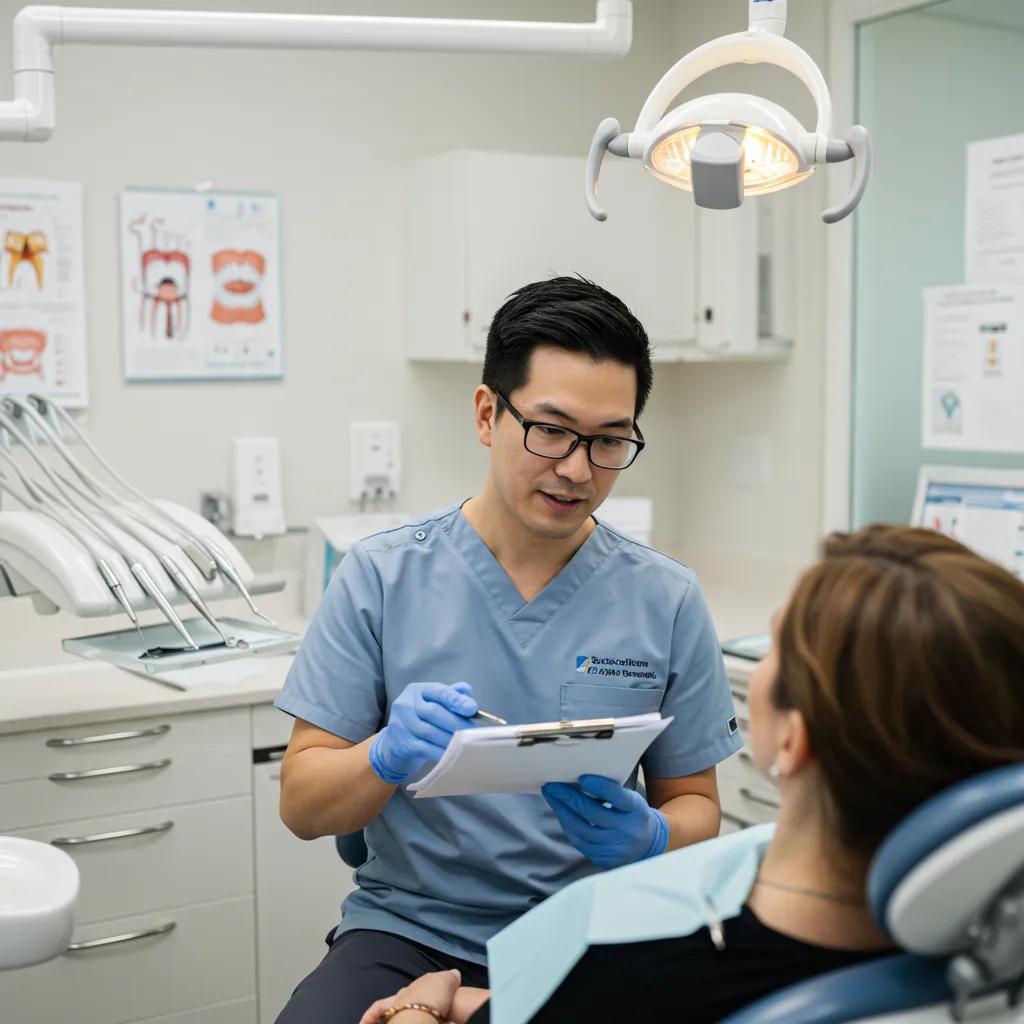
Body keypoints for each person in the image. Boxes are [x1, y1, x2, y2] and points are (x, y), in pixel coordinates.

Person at [273, 276, 743, 1023]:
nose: (578, 469)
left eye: (610, 441)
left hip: (593, 933)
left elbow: (695, 809)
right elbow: (302, 804)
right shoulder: (382, 577)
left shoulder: (666, 598)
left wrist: (651, 835)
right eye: (551, 430)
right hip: (409, 931)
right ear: (488, 413)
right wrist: (383, 757)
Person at [362, 525, 1024, 1024]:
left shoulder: (634, 973)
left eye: (776, 645)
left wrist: (420, 1010)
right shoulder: (985, 968)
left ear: (793, 741)